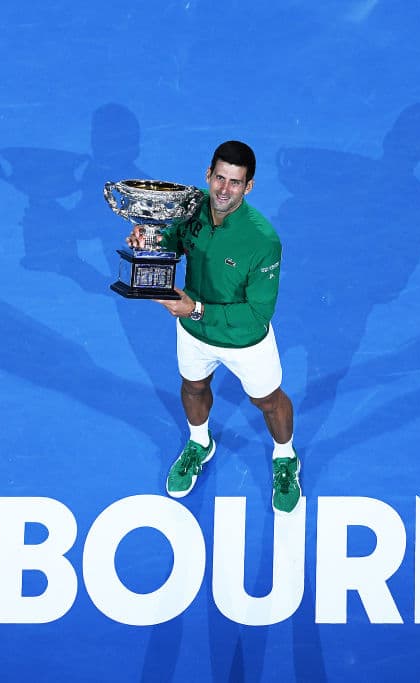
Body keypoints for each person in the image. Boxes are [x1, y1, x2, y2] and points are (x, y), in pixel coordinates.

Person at [125, 140, 301, 513]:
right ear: (208, 175)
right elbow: (174, 241)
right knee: (193, 386)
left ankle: (285, 457)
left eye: (235, 182)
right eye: (219, 178)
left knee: (268, 401)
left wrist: (197, 308)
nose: (224, 189)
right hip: (193, 330)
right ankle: (199, 443)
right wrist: (151, 242)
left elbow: (257, 314)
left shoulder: (263, 240)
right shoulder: (191, 210)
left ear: (248, 186)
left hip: (243, 340)